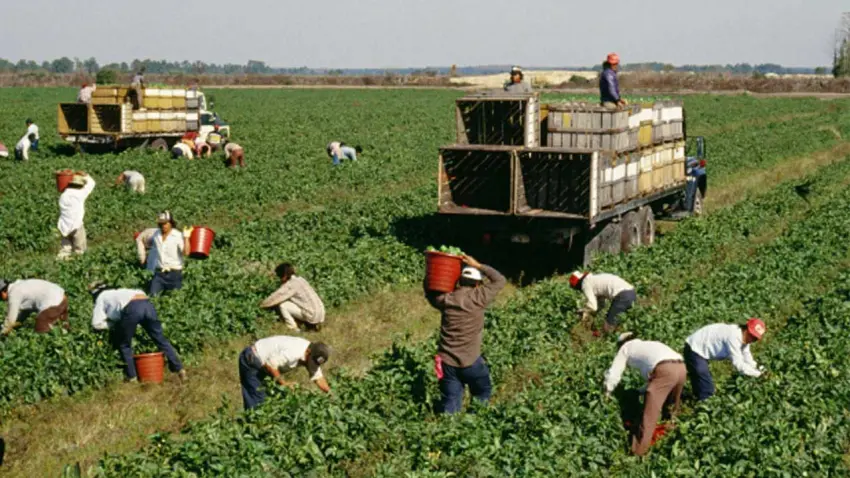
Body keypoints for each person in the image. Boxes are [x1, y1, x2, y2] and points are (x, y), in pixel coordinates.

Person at [424, 255, 507, 414]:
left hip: (447, 363)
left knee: (451, 401)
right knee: (482, 392)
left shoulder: (447, 300)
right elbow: (500, 280)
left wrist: (431, 273)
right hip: (471, 361)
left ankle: (448, 431)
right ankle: (472, 424)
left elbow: (430, 293)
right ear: (477, 284)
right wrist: (478, 265)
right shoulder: (479, 297)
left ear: (459, 281)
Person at [603, 332, 686, 456]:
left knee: (649, 417)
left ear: (621, 343)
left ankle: (637, 454)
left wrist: (607, 392)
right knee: (670, 410)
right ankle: (671, 444)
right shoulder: (648, 345)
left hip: (665, 370)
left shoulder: (625, 348)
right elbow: (656, 379)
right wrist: (640, 391)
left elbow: (614, 372)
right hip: (681, 368)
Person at [89, 283, 186, 382]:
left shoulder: (101, 297)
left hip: (132, 308)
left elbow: (96, 324)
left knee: (124, 344)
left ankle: (132, 377)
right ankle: (179, 369)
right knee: (160, 339)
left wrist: (114, 325)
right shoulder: (120, 291)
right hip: (147, 303)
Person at [238, 335, 331, 409]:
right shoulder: (294, 352)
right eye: (310, 361)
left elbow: (318, 377)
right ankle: (253, 428)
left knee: (276, 398)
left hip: (265, 366)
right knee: (258, 402)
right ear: (308, 352)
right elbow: (270, 364)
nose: (310, 365)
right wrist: (284, 383)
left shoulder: (312, 354)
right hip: (252, 360)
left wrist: (331, 394)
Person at [683, 319, 766, 401]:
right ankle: (704, 404)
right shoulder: (733, 336)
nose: (752, 339)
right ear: (746, 329)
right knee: (706, 386)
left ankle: (696, 398)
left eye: (755, 338)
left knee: (700, 377)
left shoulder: (744, 338)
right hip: (694, 348)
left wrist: (760, 369)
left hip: (703, 349)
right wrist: (758, 375)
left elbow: (747, 357)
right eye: (751, 335)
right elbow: (738, 364)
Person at [135, 211, 192, 296]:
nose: (163, 226)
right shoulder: (155, 234)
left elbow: (186, 252)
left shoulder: (177, 235)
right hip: (159, 274)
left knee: (175, 298)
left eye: (165, 223)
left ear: (171, 223)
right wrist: (143, 257)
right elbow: (143, 240)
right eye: (161, 224)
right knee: (153, 296)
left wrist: (186, 238)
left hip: (174, 273)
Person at [259, 263, 326, 332]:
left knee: (283, 305)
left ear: (284, 276)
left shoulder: (290, 285)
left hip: (312, 315)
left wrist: (261, 305)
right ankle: (309, 324)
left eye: (279, 276)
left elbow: (275, 298)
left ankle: (294, 328)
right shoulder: (301, 279)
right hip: (321, 314)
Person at [569, 271, 636, 334]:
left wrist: (583, 310)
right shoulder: (594, 280)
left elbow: (593, 307)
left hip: (622, 296)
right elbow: (601, 305)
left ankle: (608, 341)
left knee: (608, 327)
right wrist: (592, 315)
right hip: (632, 293)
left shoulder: (585, 283)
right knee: (621, 324)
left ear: (577, 284)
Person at [0, 278, 69, 335]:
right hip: (62, 297)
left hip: (53, 302)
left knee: (41, 330)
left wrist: (3, 334)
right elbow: (25, 312)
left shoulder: (14, 294)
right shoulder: (18, 285)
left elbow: (10, 319)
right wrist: (18, 323)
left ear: (2, 292)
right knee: (62, 328)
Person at [57, 172, 95, 259]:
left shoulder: (63, 195)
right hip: (76, 224)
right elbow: (92, 184)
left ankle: (61, 262)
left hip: (64, 225)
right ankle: (78, 263)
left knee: (65, 249)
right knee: (80, 249)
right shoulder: (79, 194)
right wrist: (86, 175)